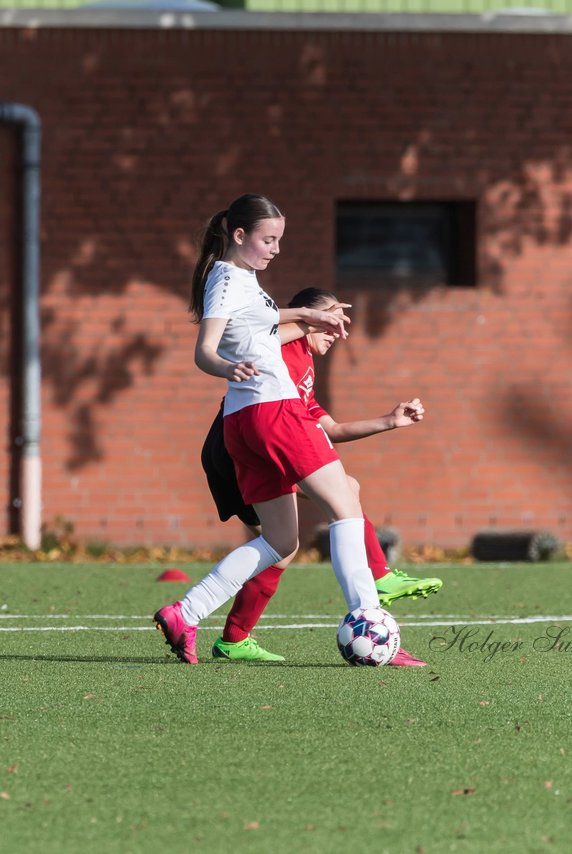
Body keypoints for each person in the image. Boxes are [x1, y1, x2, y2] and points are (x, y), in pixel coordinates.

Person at [154, 193, 390, 665]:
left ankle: (186, 611)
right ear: (239, 236)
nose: (276, 248)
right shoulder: (226, 279)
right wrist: (226, 367)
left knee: (281, 541)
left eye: (279, 239)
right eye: (268, 239)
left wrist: (308, 319)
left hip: (243, 423)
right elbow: (206, 349)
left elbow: (259, 332)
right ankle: (370, 621)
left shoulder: (243, 278)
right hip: (271, 410)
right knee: (345, 502)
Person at [204, 287, 441, 664]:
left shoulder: (304, 365)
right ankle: (379, 578)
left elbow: (326, 426)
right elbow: (251, 336)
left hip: (255, 445)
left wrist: (389, 421)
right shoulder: (282, 348)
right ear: (306, 319)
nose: (336, 330)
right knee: (343, 493)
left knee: (283, 548)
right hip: (237, 450)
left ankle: (230, 638)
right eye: (329, 319)